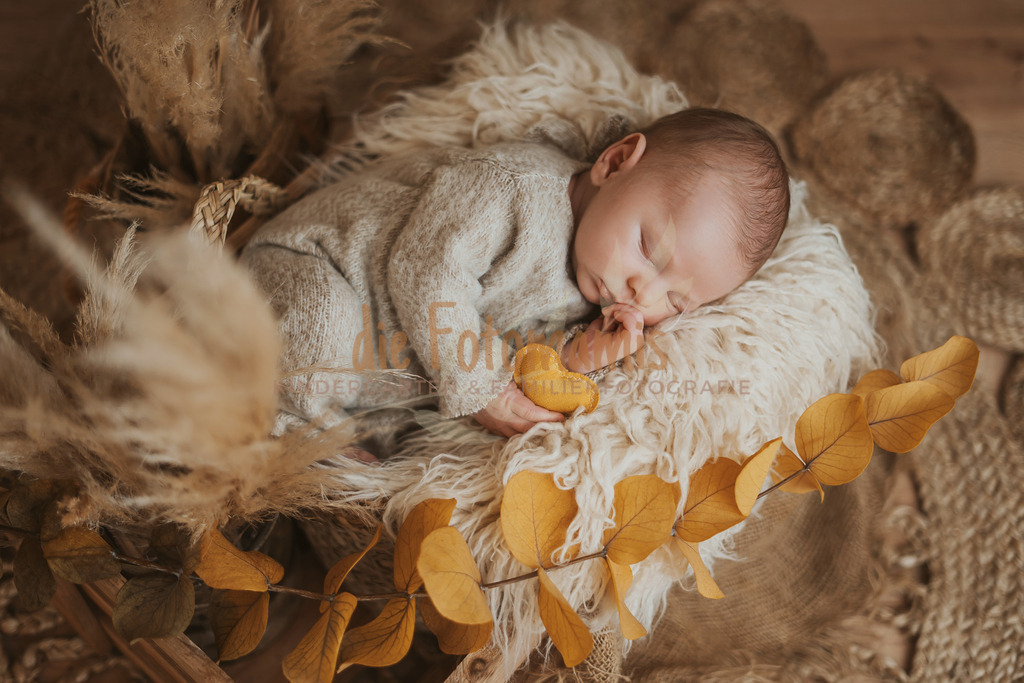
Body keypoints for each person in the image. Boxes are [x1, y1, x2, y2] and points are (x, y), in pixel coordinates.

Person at [242, 107, 789, 441]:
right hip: (313, 268)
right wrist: (480, 390)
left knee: (399, 420)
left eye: (676, 302)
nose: (642, 292)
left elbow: (532, 359)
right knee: (320, 330)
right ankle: (286, 431)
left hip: (380, 364)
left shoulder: (593, 283)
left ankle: (322, 434)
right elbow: (426, 272)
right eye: (649, 249)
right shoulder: (510, 189)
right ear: (616, 164)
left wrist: (586, 356)